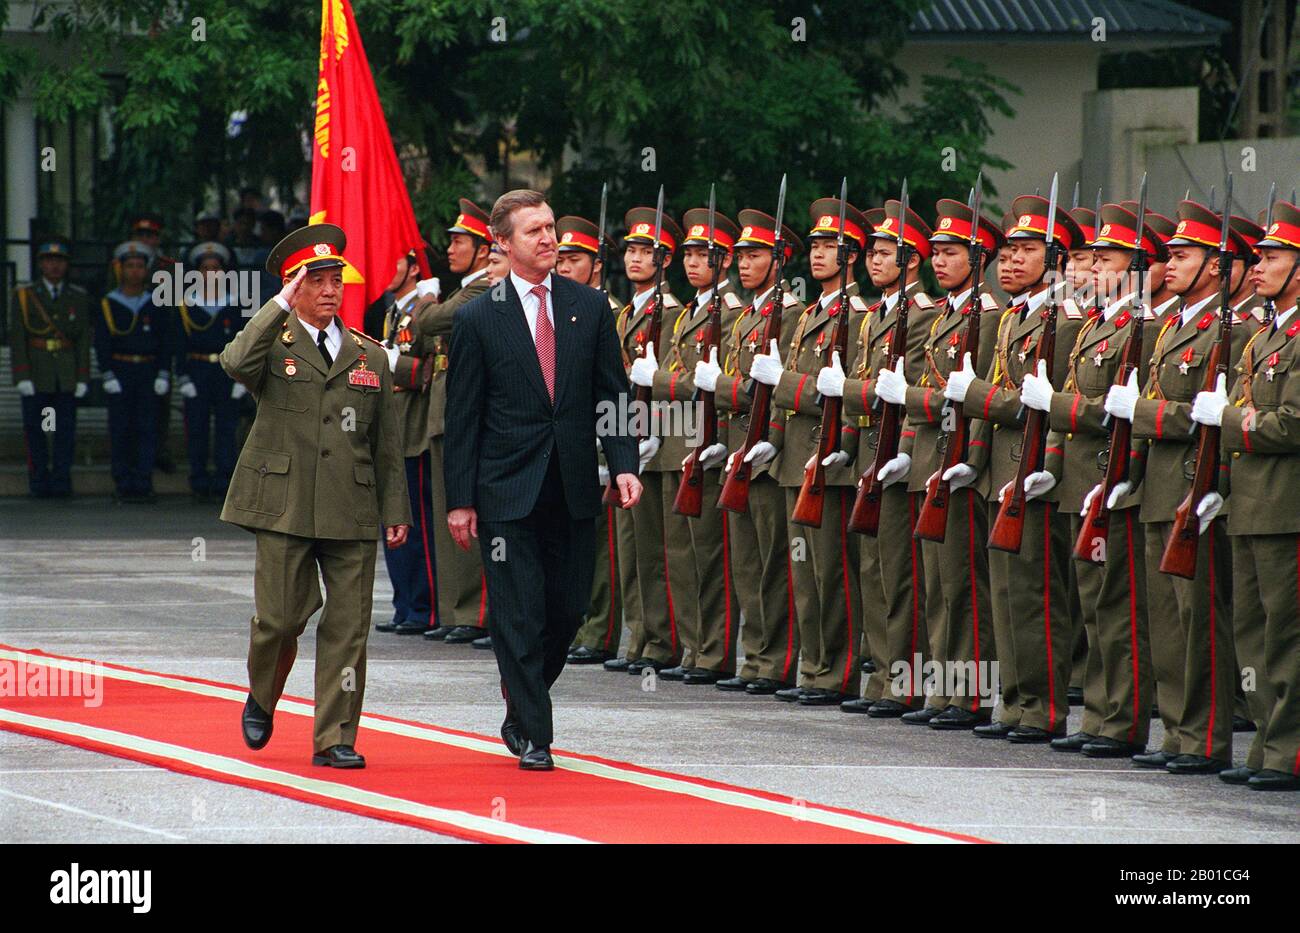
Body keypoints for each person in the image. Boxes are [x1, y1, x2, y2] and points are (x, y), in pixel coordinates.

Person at [442, 189, 641, 770]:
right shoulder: (479, 316)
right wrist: (461, 501)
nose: (549, 239)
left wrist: (624, 463)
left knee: (568, 608)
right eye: (534, 231)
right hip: (506, 490)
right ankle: (535, 732)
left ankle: (520, 700)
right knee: (518, 610)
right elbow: (462, 418)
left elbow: (613, 394)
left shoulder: (590, 306)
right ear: (501, 243)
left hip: (573, 483)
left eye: (551, 227)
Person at [222, 223, 410, 769]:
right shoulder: (271, 345)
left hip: (350, 506)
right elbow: (234, 363)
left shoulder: (368, 354)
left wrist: (395, 510)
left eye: (336, 281)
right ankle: (262, 694)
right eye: (317, 280)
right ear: (293, 286)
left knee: (348, 628)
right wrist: (277, 305)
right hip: (284, 503)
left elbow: (387, 443)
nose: (330, 290)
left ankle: (335, 736)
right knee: (280, 620)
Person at [1106, 199, 1254, 774]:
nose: (1169, 265)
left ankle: (1206, 737)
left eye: (1184, 255)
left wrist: (1142, 414)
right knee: (1165, 622)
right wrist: (1128, 475)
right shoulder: (1172, 326)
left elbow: (1204, 414)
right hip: (1159, 486)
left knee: (1200, 620)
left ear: (1216, 267)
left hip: (1197, 486)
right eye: (1168, 255)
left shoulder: (1231, 329)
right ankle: (1179, 731)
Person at [957, 195, 1086, 743]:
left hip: (1033, 470)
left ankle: (1041, 707)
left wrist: (979, 398)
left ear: (1053, 260)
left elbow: (1045, 403)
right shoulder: (1015, 316)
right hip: (999, 472)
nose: (1010, 261)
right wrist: (973, 461)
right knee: (1004, 595)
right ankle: (1013, 700)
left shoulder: (1065, 318)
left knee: (1037, 595)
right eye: (1007, 251)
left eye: (1026, 251)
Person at [877, 198, 1003, 728]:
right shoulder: (946, 317)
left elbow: (977, 395)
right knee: (934, 585)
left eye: (952, 253)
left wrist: (971, 457)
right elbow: (925, 393)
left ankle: (972, 694)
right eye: (937, 253)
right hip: (930, 456)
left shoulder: (990, 317)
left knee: (963, 585)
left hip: (959, 460)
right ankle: (945, 690)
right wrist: (907, 451)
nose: (940, 261)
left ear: (978, 260)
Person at [749, 196, 869, 707]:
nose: (818, 254)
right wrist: (770, 441)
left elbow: (839, 391)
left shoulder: (859, 317)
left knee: (833, 574)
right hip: (795, 457)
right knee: (803, 573)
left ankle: (835, 672)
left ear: (853, 257)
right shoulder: (807, 317)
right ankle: (813, 667)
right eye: (815, 245)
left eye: (831, 247)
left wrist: (839, 446)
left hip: (832, 459)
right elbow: (782, 388)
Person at [824, 199, 939, 716]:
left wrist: (849, 389)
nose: (873, 260)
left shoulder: (918, 317)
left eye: (885, 252)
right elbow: (865, 392)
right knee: (871, 569)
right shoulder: (875, 316)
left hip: (899, 451)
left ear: (911, 260)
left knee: (899, 573)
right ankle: (881, 678)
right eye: (870, 252)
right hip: (869, 448)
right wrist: (843, 446)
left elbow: (900, 390)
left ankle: (905, 680)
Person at [1201, 199, 1300, 791]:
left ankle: (1289, 751)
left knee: (1285, 633)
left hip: (1286, 506)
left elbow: (1292, 423)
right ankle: (1266, 743)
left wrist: (1232, 421)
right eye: (1258, 256)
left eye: (1272, 257)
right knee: (1253, 633)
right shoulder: (1266, 334)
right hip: (1250, 502)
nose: (1257, 267)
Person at [633, 208, 744, 684]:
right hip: (675, 440)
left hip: (707, 442)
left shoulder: (730, 312)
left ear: (723, 262)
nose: (693, 263)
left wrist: (657, 381)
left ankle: (713, 649)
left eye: (705, 256)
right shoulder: (691, 313)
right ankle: (690, 646)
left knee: (707, 555)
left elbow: (706, 384)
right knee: (676, 556)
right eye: (690, 255)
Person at [710, 210, 803, 695]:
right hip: (740, 449)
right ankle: (757, 657)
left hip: (770, 451)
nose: (744, 264)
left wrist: (721, 386)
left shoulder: (788, 314)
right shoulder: (749, 315)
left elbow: (759, 387)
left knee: (774, 562)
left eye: (756, 256)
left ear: (779, 260)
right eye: (741, 256)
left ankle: (778, 661)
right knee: (746, 562)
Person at [603, 207, 685, 675]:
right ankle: (639, 636)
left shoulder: (670, 314)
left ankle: (662, 642)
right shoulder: (626, 314)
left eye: (646, 252)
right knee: (631, 549)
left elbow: (669, 381)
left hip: (659, 443)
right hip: (627, 439)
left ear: (664, 260)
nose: (635, 258)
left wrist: (655, 433)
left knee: (657, 549)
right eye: (631, 250)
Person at [420, 199, 495, 645]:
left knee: (472, 516)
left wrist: (426, 295)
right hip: (443, 414)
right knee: (447, 517)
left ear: (485, 249)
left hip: (464, 416)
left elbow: (428, 321)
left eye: (460, 241)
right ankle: (455, 609)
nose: (450, 248)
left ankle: (477, 611)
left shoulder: (483, 288)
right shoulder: (465, 287)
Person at [554, 214, 626, 667]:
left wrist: (615, 448)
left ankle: (600, 630)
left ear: (596, 266)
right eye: (559, 258)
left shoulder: (609, 312)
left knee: (606, 550)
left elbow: (616, 387)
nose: (563, 266)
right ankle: (582, 625)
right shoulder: (560, 308)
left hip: (600, 442)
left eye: (574, 259)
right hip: (571, 444)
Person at [374, 250, 440, 636]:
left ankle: (424, 607)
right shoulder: (395, 312)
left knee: (417, 524)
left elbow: (430, 371)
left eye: (393, 262)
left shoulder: (427, 308)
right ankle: (405, 603)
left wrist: (389, 362)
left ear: (414, 268)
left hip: (415, 428)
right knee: (394, 522)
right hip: (395, 429)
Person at [9, 236, 91, 498]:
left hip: (65, 375)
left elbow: (82, 340)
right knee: (38, 430)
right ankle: (39, 479)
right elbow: (18, 337)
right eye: (49, 261)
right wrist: (21, 374)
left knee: (64, 431)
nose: (54, 266)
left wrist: (82, 377)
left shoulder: (77, 297)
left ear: (66, 265)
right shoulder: (25, 296)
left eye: (59, 261)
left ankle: (61, 478)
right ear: (41, 265)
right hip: (38, 373)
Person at [95, 241, 174, 503]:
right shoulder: (109, 303)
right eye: (130, 266)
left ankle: (143, 481)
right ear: (120, 269)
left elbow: (165, 340)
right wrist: (106, 373)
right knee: (120, 429)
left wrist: (164, 372)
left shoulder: (155, 302)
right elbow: (102, 341)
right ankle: (123, 482)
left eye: (140, 266)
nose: (135, 271)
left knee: (146, 428)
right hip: (120, 370)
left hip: (147, 371)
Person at [175, 241, 246, 502]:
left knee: (227, 429)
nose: (211, 274)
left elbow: (247, 342)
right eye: (206, 269)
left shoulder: (236, 303)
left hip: (227, 372)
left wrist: (243, 378)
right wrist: (182, 376)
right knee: (197, 428)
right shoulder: (186, 304)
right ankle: (199, 480)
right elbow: (177, 343)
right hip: (197, 370)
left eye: (216, 268)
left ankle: (225, 481)